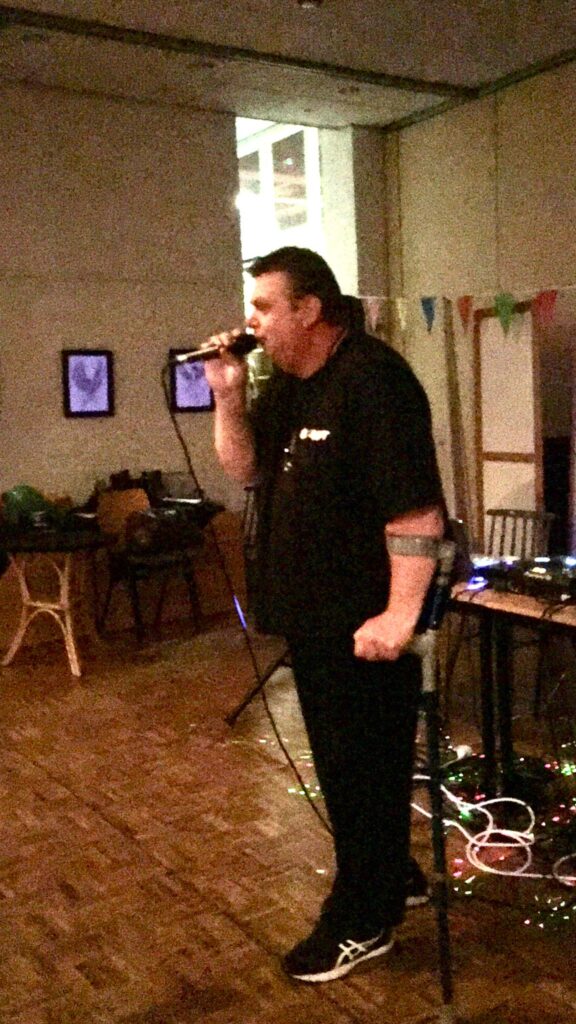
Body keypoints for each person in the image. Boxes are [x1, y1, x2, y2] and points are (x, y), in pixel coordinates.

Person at [204, 247, 445, 984]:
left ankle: (362, 918)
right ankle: (390, 871)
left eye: (264, 307)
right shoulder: (287, 385)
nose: (251, 321)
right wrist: (228, 398)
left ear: (309, 309)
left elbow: (416, 511)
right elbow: (246, 470)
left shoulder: (374, 381)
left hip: (365, 623)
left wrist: (400, 615)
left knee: (359, 769)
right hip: (312, 620)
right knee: (348, 768)